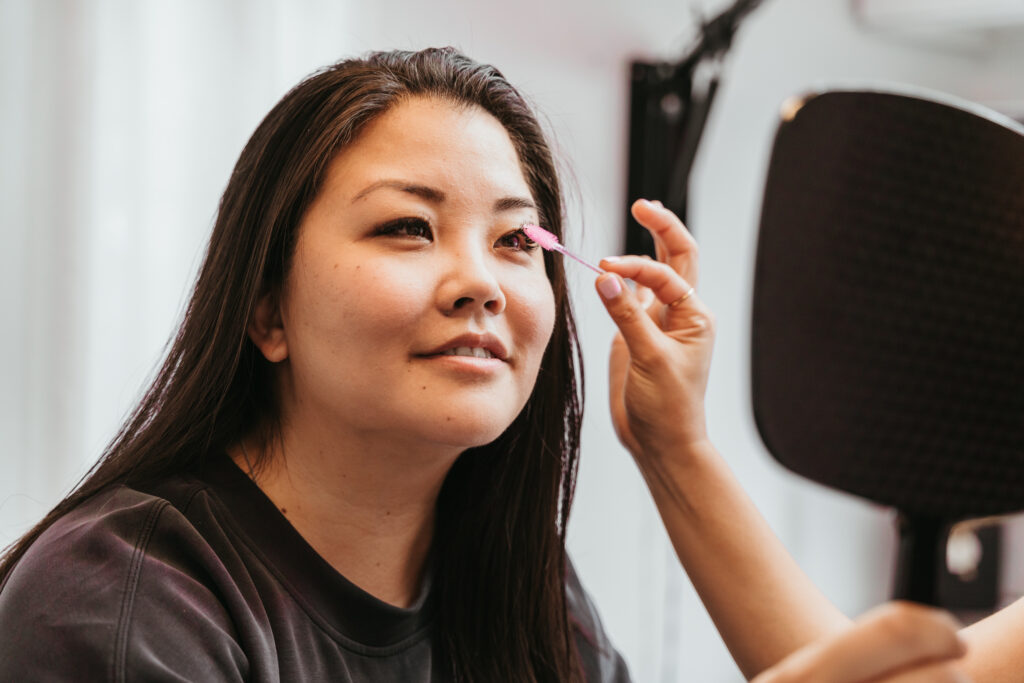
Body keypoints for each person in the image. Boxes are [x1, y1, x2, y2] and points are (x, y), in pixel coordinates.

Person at [0, 47, 971, 682]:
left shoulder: (523, 596)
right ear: (265, 309)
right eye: (408, 226)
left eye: (516, 242)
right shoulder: (125, 601)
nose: (482, 282)